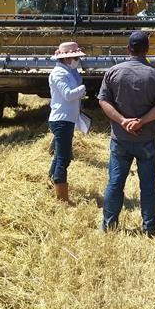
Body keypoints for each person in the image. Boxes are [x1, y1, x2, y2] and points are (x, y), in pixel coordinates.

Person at [98, 31, 155, 235]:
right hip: (146, 139)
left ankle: (109, 225)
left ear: (128, 48)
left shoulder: (113, 72)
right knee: (148, 185)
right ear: (147, 49)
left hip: (120, 139)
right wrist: (141, 121)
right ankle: (149, 227)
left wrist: (122, 121)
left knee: (115, 183)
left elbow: (103, 101)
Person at [48, 41, 87, 204]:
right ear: (67, 58)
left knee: (60, 156)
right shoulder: (58, 74)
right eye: (75, 57)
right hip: (61, 120)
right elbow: (68, 94)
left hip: (67, 119)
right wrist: (83, 88)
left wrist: (78, 76)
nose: (77, 59)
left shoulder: (69, 72)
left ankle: (51, 182)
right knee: (64, 158)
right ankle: (62, 197)